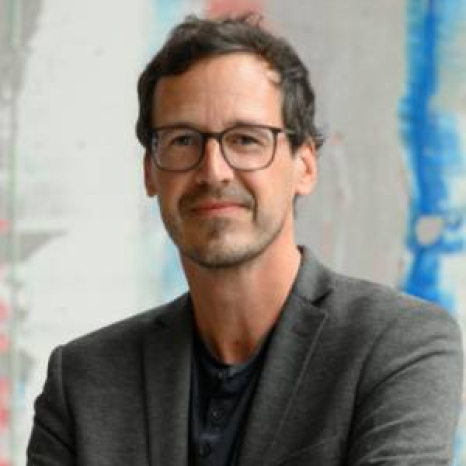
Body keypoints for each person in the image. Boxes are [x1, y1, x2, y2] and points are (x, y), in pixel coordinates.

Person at [27, 15, 463, 466]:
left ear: (305, 166)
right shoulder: (83, 379)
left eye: (246, 139)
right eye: (182, 140)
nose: (213, 170)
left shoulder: (398, 345)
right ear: (150, 172)